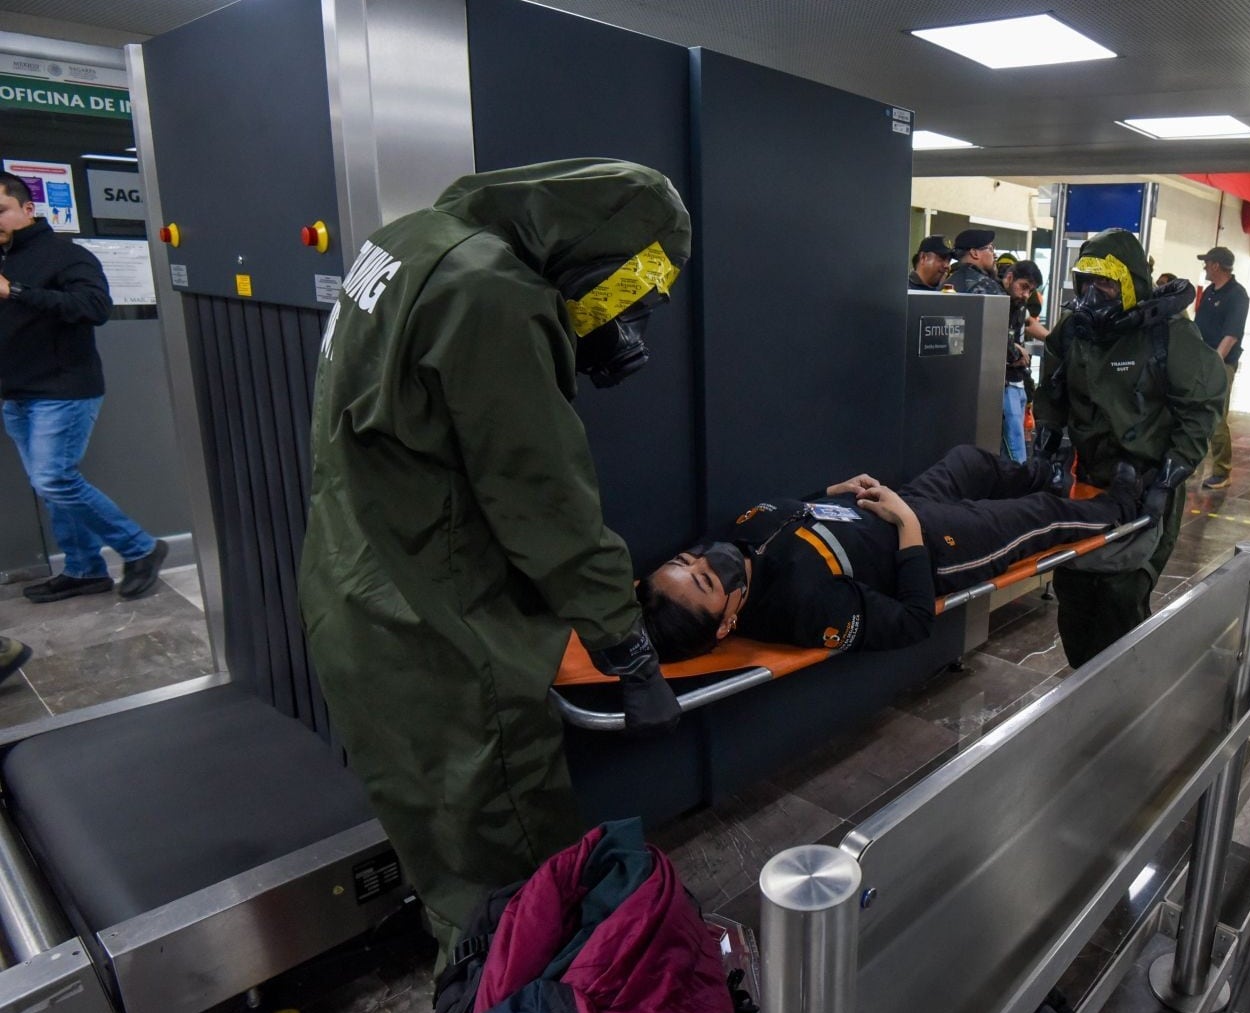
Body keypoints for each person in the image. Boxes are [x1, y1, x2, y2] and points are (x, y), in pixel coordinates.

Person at [299, 159, 689, 957]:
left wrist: (578, 332)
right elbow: (544, 500)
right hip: (444, 629)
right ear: (602, 245)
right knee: (514, 887)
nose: (628, 314)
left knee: (443, 852)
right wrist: (629, 648)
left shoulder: (410, 242)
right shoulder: (492, 292)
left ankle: (469, 980)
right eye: (631, 290)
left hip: (355, 591)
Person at [640, 445, 1143, 660]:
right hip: (934, 546)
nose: (705, 561)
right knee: (1039, 515)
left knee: (968, 460)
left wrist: (832, 491)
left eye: (686, 560)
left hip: (892, 504)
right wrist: (907, 527)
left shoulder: (727, 540)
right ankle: (1124, 504)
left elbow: (792, 523)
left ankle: (1045, 473)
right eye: (705, 580)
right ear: (725, 625)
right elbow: (913, 622)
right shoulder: (803, 608)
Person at [1033, 228, 1228, 666]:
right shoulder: (1074, 332)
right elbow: (1051, 392)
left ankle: (1121, 692)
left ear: (1130, 281)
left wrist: (1168, 478)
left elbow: (1200, 409)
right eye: (1086, 280)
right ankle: (1083, 683)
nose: (1093, 292)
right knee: (1074, 590)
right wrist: (1046, 445)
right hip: (1086, 485)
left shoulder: (1168, 335)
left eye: (1105, 281)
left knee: (1121, 598)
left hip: (1148, 485)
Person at [0, 172, 169, 603]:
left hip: (62, 390)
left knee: (54, 479)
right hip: (16, 393)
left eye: (1, 210)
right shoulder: (4, 260)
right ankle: (84, 570)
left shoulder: (65, 255)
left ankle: (141, 548)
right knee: (50, 486)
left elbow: (95, 307)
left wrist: (15, 291)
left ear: (27, 209)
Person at [1194, 246, 1248, 491]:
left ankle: (1222, 471)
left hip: (1220, 364)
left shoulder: (1237, 295)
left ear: (1216, 265)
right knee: (1196, 413)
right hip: (1202, 361)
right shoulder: (1209, 292)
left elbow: (1232, 334)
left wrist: (1214, 364)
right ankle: (1193, 462)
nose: (1204, 267)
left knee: (1216, 417)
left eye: (1207, 263)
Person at [997, 259, 1048, 461]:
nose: (1026, 294)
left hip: (1018, 381)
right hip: (1003, 384)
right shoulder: (995, 299)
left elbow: (1028, 323)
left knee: (1018, 444)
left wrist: (1053, 338)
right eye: (1024, 287)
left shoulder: (1018, 305)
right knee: (1014, 450)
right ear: (1009, 278)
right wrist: (1014, 350)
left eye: (1031, 290)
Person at [945, 228, 1001, 295]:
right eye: (990, 249)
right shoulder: (987, 286)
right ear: (974, 253)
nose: (995, 255)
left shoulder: (946, 285)